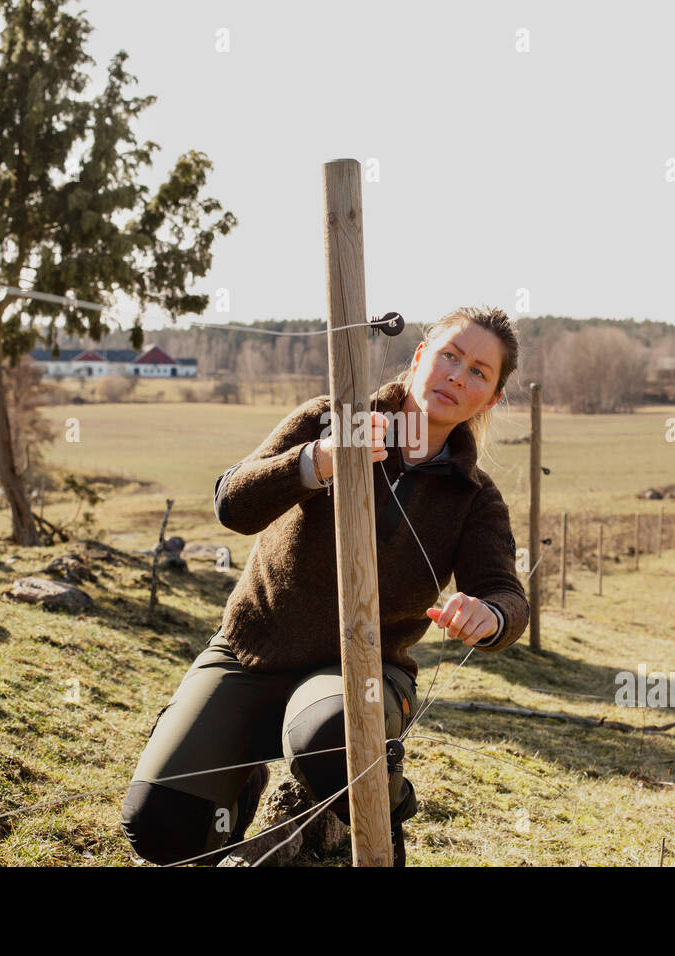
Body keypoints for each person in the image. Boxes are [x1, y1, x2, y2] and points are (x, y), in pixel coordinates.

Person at [120, 306, 529, 866]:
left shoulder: (475, 498)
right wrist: (318, 461)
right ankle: (236, 795)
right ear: (418, 359)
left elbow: (506, 594)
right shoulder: (327, 420)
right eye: (450, 356)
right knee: (160, 828)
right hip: (249, 654)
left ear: (492, 399)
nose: (458, 375)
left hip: (361, 671)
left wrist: (491, 616)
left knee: (332, 733)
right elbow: (231, 503)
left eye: (480, 372)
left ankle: (388, 807)